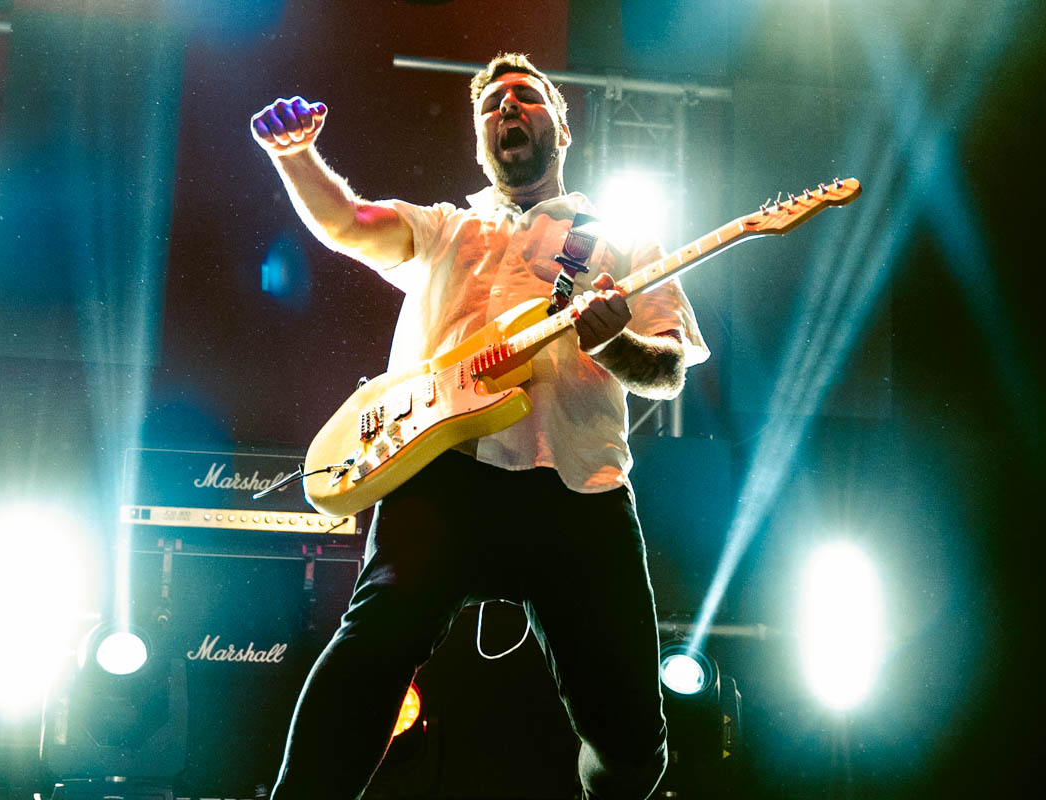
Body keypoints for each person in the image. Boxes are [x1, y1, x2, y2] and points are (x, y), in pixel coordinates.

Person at [250, 52, 708, 800]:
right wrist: (295, 156)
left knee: (630, 741)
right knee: (369, 654)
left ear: (561, 127)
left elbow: (666, 370)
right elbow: (348, 223)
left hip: (577, 486)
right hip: (443, 477)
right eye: (491, 104)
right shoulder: (446, 229)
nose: (506, 109)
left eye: (524, 97)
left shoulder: (619, 239)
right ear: (480, 139)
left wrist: (611, 343)